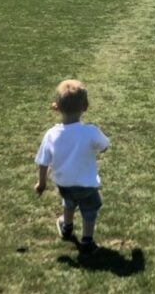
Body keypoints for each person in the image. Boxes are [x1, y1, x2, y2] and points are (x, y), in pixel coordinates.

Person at [34, 79, 110, 255]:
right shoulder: (90, 131)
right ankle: (87, 242)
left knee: (68, 203)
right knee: (89, 209)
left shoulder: (51, 134)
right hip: (86, 185)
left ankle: (67, 227)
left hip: (64, 185)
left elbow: (43, 161)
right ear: (85, 106)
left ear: (57, 107)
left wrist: (41, 183)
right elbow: (104, 146)